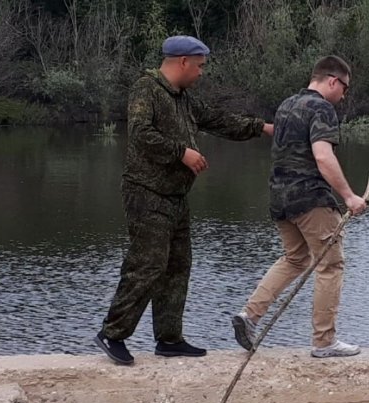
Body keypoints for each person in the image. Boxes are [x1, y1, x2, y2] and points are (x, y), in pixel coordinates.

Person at [95, 36, 274, 365]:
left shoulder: (184, 100)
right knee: (146, 265)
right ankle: (112, 334)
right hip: (146, 192)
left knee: (177, 266)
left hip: (176, 196)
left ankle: (169, 339)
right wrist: (182, 153)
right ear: (182, 62)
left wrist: (264, 128)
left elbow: (219, 121)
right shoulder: (146, 89)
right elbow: (139, 132)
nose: (202, 73)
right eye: (200, 66)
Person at [231, 55, 367, 358]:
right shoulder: (322, 108)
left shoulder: (286, 104)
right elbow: (322, 156)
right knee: (330, 265)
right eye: (344, 88)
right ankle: (324, 342)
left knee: (294, 259)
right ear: (332, 81)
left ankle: (249, 315)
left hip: (280, 199)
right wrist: (348, 196)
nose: (343, 96)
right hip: (311, 200)